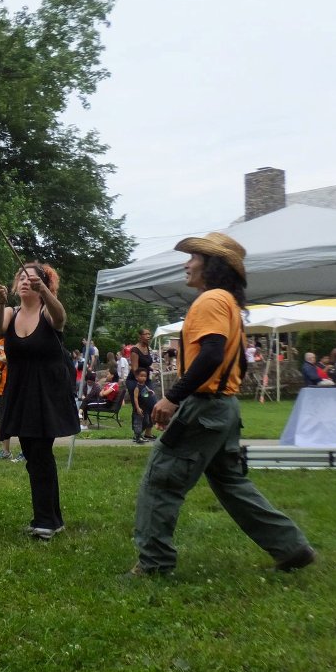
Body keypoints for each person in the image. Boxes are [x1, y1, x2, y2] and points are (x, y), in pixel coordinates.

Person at [129, 232, 315, 576]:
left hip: (204, 407)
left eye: (194, 258)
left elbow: (212, 353)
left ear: (212, 265)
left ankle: (154, 564)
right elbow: (238, 364)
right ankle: (291, 547)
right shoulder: (229, 303)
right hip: (224, 409)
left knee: (162, 479)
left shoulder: (210, 299)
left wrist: (173, 397)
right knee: (232, 483)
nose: (187, 264)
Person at [0, 262, 79, 541]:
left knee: (40, 453)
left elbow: (61, 318)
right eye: (21, 277)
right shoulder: (9, 312)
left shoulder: (47, 311)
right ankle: (52, 518)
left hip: (48, 392)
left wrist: (48, 295)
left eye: (31, 278)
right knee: (34, 455)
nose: (24, 281)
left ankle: (45, 522)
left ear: (42, 285)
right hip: (21, 390)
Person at [126, 328, 154, 440]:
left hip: (146, 380)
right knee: (139, 407)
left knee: (152, 404)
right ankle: (137, 434)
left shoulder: (147, 348)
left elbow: (146, 364)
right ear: (140, 336)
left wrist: (151, 369)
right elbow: (135, 369)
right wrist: (141, 383)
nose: (148, 336)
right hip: (135, 381)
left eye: (149, 334)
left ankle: (148, 432)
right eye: (146, 334)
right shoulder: (135, 350)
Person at [130, 367, 157, 443]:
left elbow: (148, 390)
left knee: (146, 422)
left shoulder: (144, 386)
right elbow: (135, 398)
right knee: (138, 423)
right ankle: (137, 437)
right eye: (141, 376)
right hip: (139, 409)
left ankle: (138, 435)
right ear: (137, 377)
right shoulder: (137, 388)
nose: (143, 378)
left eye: (145, 376)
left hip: (145, 408)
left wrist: (151, 391)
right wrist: (137, 408)